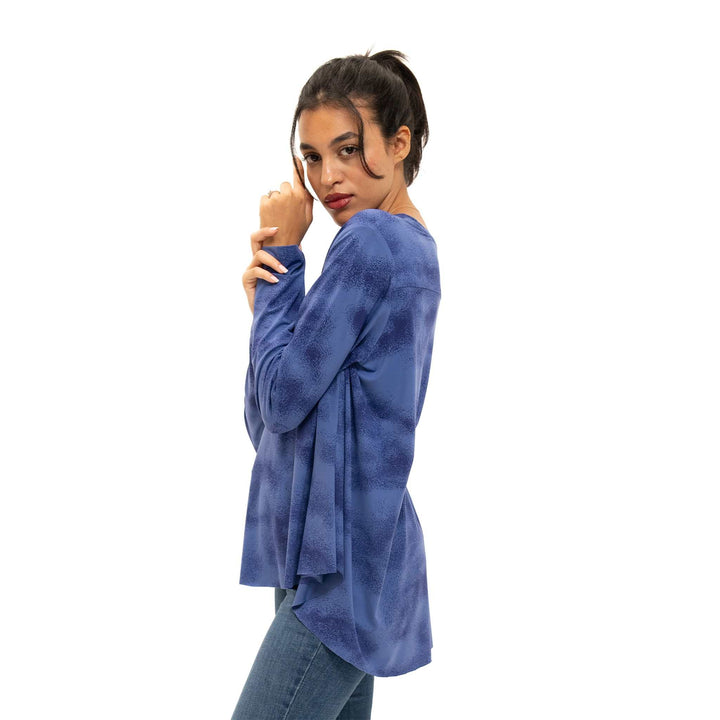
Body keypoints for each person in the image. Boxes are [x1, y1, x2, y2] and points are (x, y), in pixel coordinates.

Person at [230, 49, 441, 720]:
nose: (327, 178)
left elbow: (280, 402)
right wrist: (270, 306)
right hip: (342, 554)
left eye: (348, 150)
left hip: (338, 568)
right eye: (313, 157)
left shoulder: (370, 242)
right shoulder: (411, 245)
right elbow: (274, 430)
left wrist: (282, 265)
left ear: (399, 143)